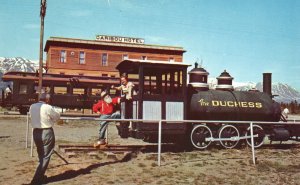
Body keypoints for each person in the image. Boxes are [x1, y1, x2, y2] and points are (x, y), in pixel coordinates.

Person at [29, 93, 60, 185]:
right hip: (46, 132)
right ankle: (36, 180)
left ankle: (40, 176)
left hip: (36, 132)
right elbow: (57, 117)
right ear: (47, 100)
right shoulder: (48, 107)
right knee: (46, 156)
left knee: (40, 154)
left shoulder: (32, 106)